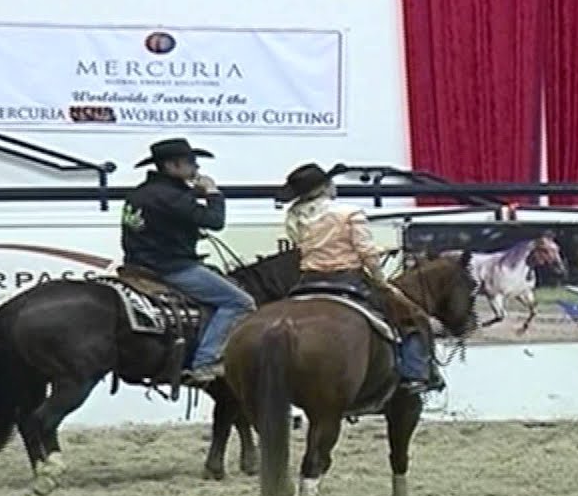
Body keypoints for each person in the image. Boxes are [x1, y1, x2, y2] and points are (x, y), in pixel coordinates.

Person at [280, 162, 444, 393]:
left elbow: (313, 244)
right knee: (411, 317)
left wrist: (380, 249)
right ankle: (414, 372)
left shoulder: (294, 216)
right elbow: (366, 253)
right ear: (326, 186)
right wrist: (380, 281)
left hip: (309, 280)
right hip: (348, 279)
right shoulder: (350, 213)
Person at [121, 137, 256, 386]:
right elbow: (214, 221)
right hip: (171, 267)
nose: (197, 168)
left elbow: (162, 222)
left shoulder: (141, 193)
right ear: (172, 165)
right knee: (239, 302)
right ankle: (205, 362)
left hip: (139, 264)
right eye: (191, 162)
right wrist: (213, 193)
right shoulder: (172, 196)